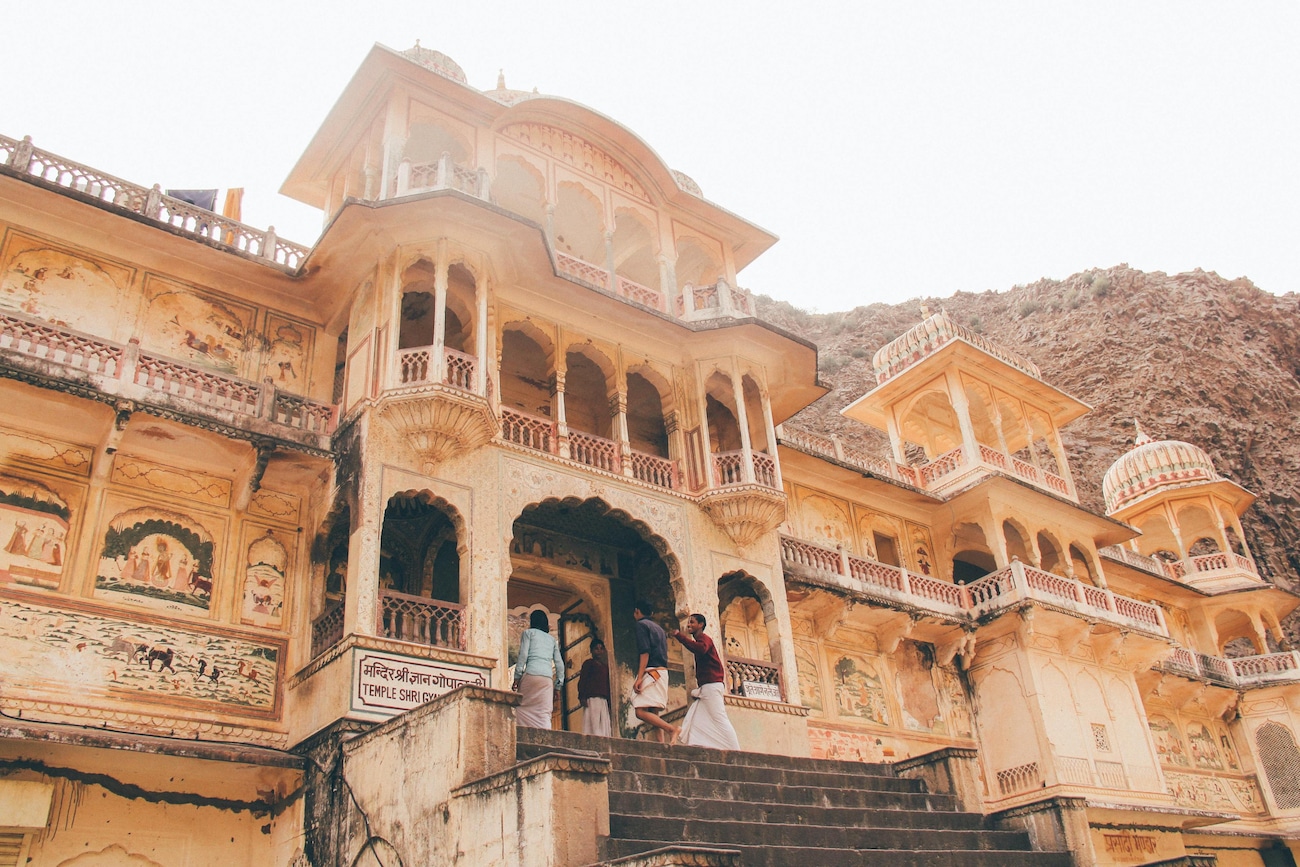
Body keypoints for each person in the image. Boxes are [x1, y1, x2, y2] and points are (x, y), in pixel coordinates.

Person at [670, 614, 740, 751]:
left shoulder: (704, 639)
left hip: (712, 686)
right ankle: (695, 744)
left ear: (700, 625)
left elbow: (701, 649)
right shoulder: (700, 639)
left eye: (692, 622)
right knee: (696, 719)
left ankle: (736, 751)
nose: (689, 625)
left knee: (720, 720)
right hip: (707, 687)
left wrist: (681, 637)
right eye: (688, 622)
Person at [632, 600, 679, 744]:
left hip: (652, 672)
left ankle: (671, 729)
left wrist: (639, 678)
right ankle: (661, 744)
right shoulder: (659, 629)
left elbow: (644, 652)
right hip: (662, 672)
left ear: (637, 611)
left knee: (640, 711)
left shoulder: (641, 625)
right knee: (654, 712)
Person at [512, 610, 565, 728]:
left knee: (522, 708)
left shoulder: (528, 633)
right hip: (547, 680)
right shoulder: (551, 640)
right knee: (544, 713)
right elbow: (560, 665)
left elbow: (523, 656)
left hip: (531, 675)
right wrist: (558, 686)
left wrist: (517, 677)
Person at [577, 638, 612, 737]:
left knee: (603, 723)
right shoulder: (588, 664)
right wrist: (582, 696)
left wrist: (609, 703)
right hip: (591, 698)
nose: (599, 651)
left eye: (601, 648)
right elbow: (582, 680)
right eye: (596, 649)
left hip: (603, 699)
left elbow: (607, 684)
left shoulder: (605, 667)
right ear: (591, 651)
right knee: (593, 722)